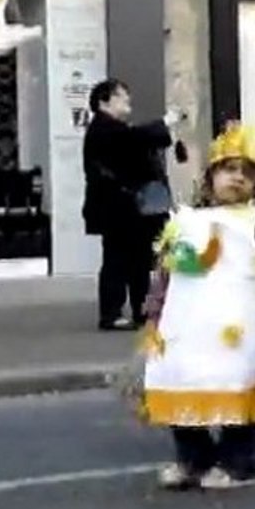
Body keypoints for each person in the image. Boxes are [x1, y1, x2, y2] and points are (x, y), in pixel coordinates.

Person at [140, 122, 255, 490]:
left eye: (247, 173)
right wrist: (154, 312)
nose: (237, 179)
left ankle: (238, 462)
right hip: (184, 330)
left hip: (235, 331)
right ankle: (193, 458)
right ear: (210, 179)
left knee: (236, 391)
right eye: (229, 170)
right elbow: (167, 270)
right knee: (180, 385)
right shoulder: (185, 221)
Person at [82, 79, 181, 331]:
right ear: (104, 101)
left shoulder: (114, 129)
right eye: (121, 96)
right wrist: (165, 123)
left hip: (130, 209)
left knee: (138, 259)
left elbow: (137, 143)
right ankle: (112, 313)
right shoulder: (104, 129)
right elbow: (133, 140)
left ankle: (141, 308)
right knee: (118, 260)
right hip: (118, 208)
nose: (127, 100)